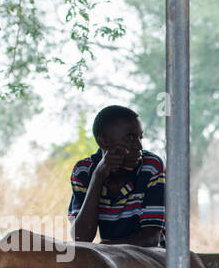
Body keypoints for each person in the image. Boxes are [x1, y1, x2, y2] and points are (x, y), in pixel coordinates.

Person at [67, 105, 165, 247]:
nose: (139, 147)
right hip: (112, 262)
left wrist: (105, 248)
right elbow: (80, 237)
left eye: (140, 138)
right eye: (130, 139)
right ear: (103, 142)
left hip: (151, 261)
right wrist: (98, 176)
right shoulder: (83, 172)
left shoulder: (150, 167)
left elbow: (150, 239)